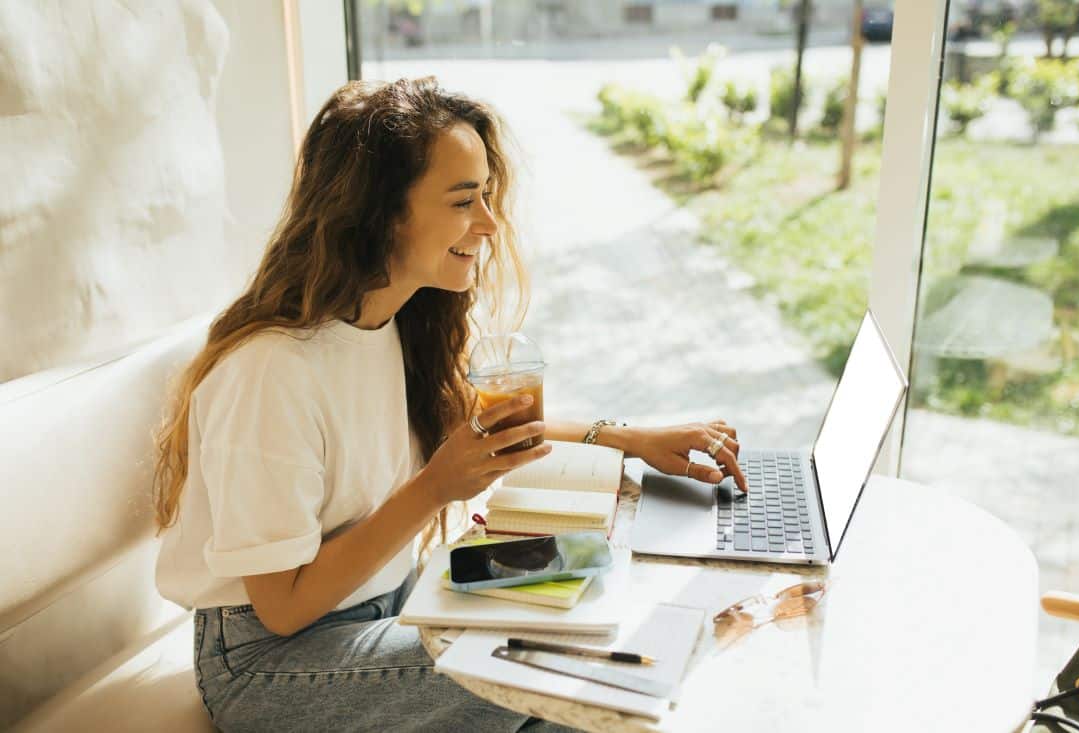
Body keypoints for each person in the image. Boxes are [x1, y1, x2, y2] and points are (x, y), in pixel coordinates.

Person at [151, 76, 747, 733]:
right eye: (466, 200)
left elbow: (485, 432)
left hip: (391, 599)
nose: (489, 224)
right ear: (380, 213)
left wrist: (633, 439)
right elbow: (284, 608)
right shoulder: (272, 372)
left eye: (487, 196)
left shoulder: (393, 325)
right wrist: (435, 486)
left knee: (602, 572)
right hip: (271, 662)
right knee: (564, 662)